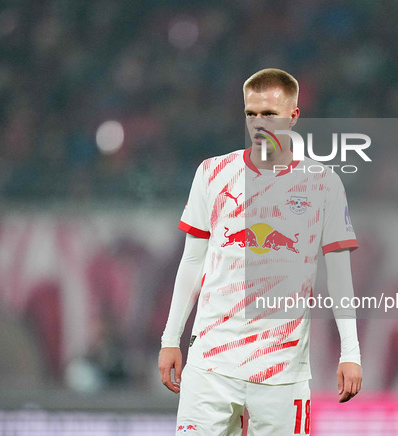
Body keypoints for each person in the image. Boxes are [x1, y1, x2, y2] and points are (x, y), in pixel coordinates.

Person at [159, 68, 362, 435]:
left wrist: (351, 353)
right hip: (211, 364)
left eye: (269, 114)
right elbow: (191, 262)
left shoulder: (324, 185)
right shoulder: (212, 173)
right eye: (251, 113)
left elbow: (340, 276)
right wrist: (170, 339)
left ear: (293, 116)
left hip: (281, 372)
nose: (258, 123)